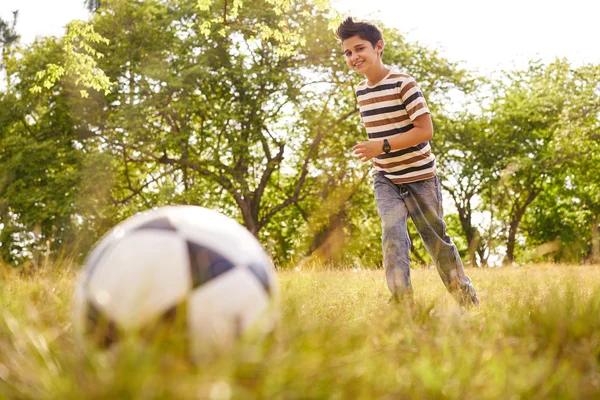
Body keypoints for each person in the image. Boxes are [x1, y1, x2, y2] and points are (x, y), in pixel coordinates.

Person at [336, 17, 479, 306]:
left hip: (420, 176)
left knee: (435, 240)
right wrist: (379, 152)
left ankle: (466, 300)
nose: (353, 57)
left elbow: (425, 131)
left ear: (379, 47)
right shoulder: (362, 92)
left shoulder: (404, 84)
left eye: (359, 48)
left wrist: (382, 145)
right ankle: (402, 303)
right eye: (347, 52)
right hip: (386, 177)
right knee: (392, 234)